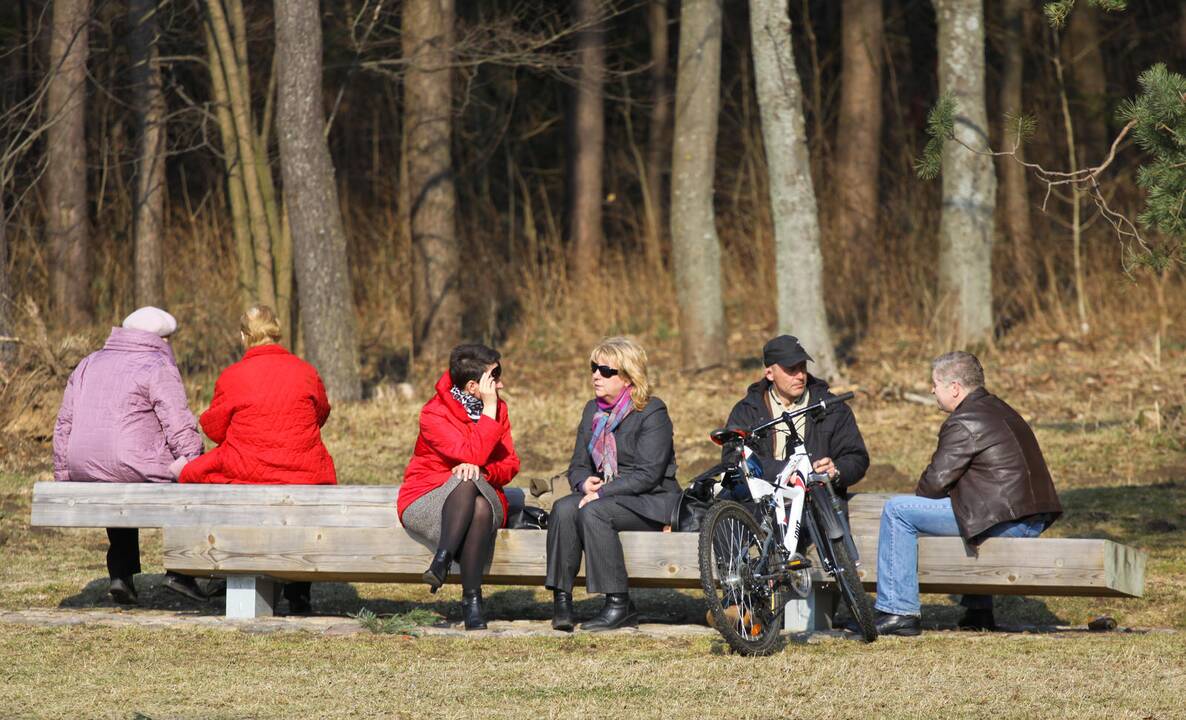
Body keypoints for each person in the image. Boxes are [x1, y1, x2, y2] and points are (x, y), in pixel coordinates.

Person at [872, 351, 1063, 636]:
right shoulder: (1000, 409)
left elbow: (933, 485)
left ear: (955, 388)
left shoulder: (964, 421)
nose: (932, 390)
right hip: (1026, 518)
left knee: (898, 510)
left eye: (935, 384)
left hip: (1007, 523)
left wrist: (928, 498)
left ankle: (899, 612)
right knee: (965, 507)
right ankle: (979, 610)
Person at [179, 304, 336, 615]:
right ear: (277, 331)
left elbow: (214, 428)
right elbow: (321, 414)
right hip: (303, 470)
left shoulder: (233, 375)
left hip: (248, 467)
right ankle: (298, 590)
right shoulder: (306, 371)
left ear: (243, 336)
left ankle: (206, 565)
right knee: (307, 495)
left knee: (192, 474)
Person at [53, 306, 208, 604]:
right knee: (179, 473)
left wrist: (63, 474)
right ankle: (181, 572)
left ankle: (120, 574)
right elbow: (177, 424)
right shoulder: (157, 367)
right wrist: (193, 460)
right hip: (134, 464)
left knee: (112, 472)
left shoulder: (88, 362)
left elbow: (65, 423)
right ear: (162, 339)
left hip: (84, 465)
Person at [546, 337, 680, 632]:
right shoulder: (591, 411)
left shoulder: (652, 412)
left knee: (595, 512)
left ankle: (619, 605)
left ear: (629, 376)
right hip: (606, 494)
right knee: (563, 509)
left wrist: (601, 492)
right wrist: (583, 483)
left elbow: (649, 474)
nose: (596, 375)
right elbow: (578, 465)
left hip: (651, 500)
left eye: (607, 370)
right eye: (594, 367)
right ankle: (563, 601)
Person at [398, 344, 520, 631]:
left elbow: (510, 464)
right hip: (428, 496)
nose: (500, 383)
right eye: (495, 376)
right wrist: (488, 414)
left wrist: (484, 472)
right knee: (471, 492)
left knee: (470, 484)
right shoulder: (433, 414)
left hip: (485, 491)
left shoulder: (499, 408)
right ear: (472, 386)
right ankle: (472, 600)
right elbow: (472, 454)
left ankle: (441, 561)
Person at [724, 334, 869, 502]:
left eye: (803, 367)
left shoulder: (833, 408)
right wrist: (785, 471)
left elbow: (857, 458)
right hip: (761, 507)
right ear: (770, 374)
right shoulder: (747, 411)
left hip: (819, 506)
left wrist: (835, 471)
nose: (800, 376)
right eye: (791, 369)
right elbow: (732, 459)